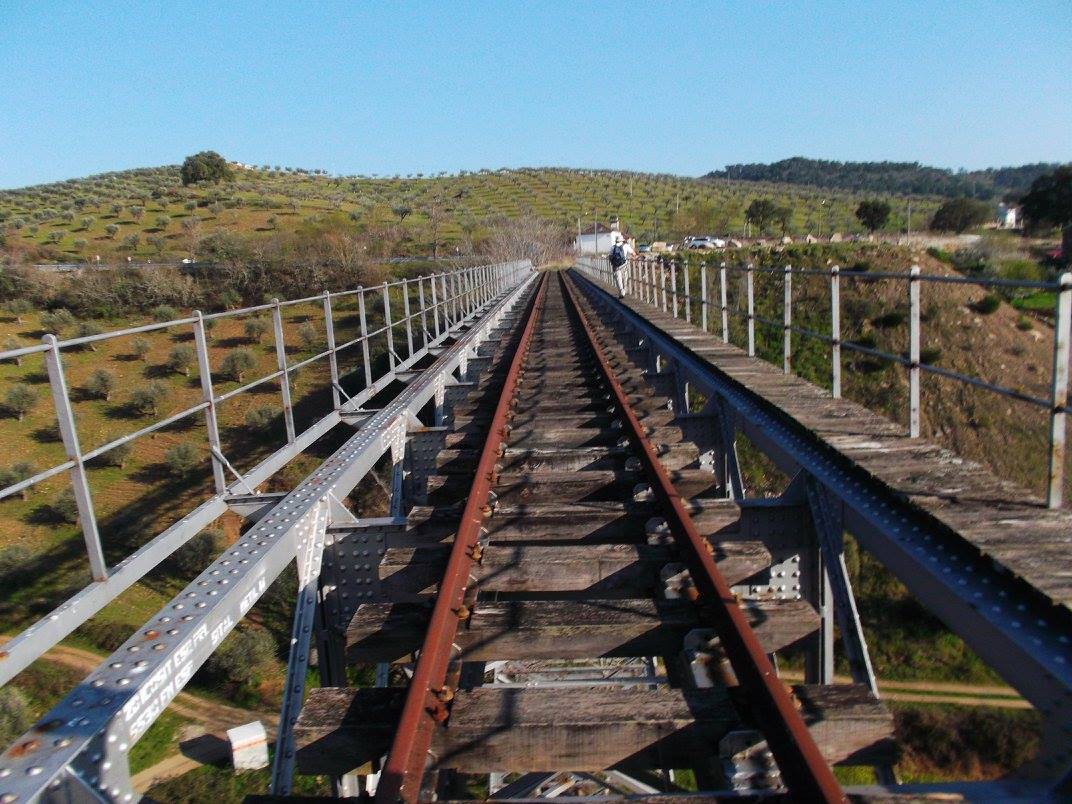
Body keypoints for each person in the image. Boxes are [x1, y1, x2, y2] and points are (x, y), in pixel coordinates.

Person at [608, 233, 634, 299]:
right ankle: (624, 291)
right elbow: (633, 253)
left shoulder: (613, 247)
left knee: (618, 279)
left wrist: (612, 263)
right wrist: (635, 256)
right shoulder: (625, 246)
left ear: (616, 241)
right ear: (622, 240)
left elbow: (610, 256)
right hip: (624, 265)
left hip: (616, 266)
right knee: (625, 278)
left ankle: (621, 291)